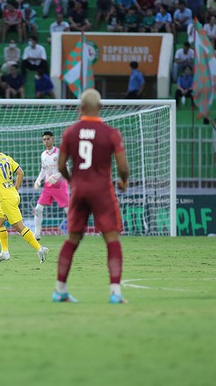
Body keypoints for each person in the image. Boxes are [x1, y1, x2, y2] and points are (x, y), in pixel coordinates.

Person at [53, 89, 129, 304]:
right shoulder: (111, 133)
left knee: (73, 239)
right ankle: (115, 293)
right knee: (111, 238)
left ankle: (60, 290)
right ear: (100, 108)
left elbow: (61, 166)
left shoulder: (70, 132)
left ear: (81, 108)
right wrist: (124, 181)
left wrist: (72, 181)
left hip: (79, 189)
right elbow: (123, 167)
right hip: (102, 190)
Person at [0, 132, 48, 262]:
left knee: (19, 227)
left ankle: (40, 249)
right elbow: (20, 172)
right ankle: (4, 252)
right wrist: (15, 188)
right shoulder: (6, 157)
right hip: (12, 194)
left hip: (6, 198)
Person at [32, 131, 68, 240]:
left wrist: (56, 176)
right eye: (44, 139)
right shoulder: (43, 155)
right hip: (48, 186)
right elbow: (43, 169)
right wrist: (38, 180)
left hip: (60, 185)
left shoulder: (59, 152)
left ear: (52, 139)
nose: (46, 141)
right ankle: (37, 234)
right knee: (38, 209)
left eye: (48, 139)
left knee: (68, 210)